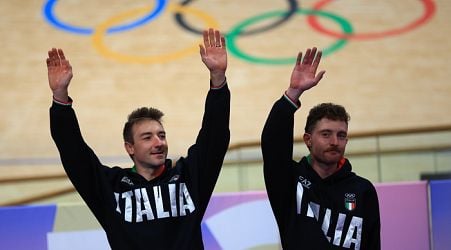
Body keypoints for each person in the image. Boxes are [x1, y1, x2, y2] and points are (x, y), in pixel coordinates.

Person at [47, 28, 230, 250]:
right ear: (130, 148)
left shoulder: (188, 177)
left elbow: (215, 136)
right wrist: (60, 98)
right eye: (148, 137)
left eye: (161, 135)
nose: (159, 142)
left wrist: (218, 79)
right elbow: (73, 152)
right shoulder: (110, 187)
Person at [261, 47, 380, 250]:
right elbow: (272, 144)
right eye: (326, 134)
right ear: (308, 140)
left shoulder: (363, 190)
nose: (335, 141)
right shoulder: (289, 181)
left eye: (341, 135)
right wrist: (293, 94)